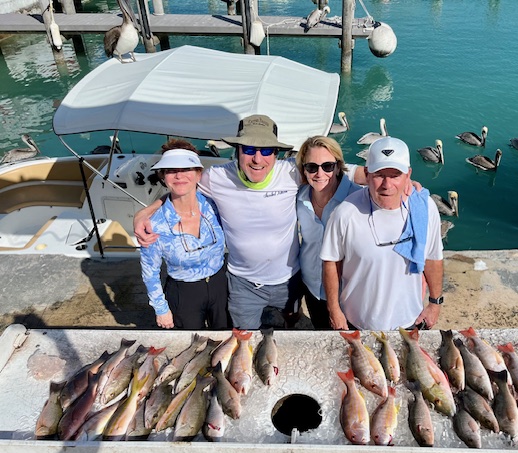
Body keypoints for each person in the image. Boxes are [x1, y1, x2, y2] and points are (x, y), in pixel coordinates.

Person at [135, 114, 365, 330]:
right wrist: (147, 212)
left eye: (266, 150)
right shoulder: (217, 178)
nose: (257, 159)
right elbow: (182, 185)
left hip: (290, 280)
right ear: (237, 151)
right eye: (249, 150)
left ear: (276, 153)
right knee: (244, 340)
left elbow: (342, 170)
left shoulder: (292, 173)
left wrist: (399, 177)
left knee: (291, 323)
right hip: (243, 284)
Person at [320, 136, 444, 331]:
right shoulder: (345, 213)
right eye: (379, 175)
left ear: (408, 175)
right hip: (356, 322)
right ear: (367, 174)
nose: (387, 185)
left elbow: (432, 258)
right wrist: (334, 310)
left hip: (410, 320)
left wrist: (435, 302)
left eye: (395, 175)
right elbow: (331, 263)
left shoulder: (424, 208)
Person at [140, 139, 228, 330]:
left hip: (220, 285)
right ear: (163, 176)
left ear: (198, 174)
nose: (179, 175)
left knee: (224, 340)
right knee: (191, 346)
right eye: (171, 170)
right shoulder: (154, 224)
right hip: (184, 293)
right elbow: (150, 273)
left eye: (186, 169)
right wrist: (161, 309)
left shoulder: (215, 206)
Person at [296, 136, 362, 329]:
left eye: (327, 166)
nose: (319, 173)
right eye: (311, 167)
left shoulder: (357, 199)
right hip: (311, 286)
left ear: (338, 167)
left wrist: (412, 188)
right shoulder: (299, 198)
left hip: (347, 293)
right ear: (304, 170)